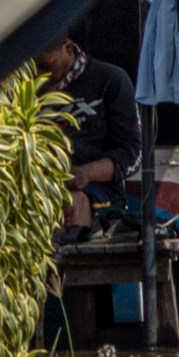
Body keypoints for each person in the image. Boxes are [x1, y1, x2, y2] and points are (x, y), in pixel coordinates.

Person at [31, 27, 145, 234]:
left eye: (46, 66)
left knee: (71, 202)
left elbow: (132, 154)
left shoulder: (110, 80)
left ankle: (73, 251)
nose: (39, 74)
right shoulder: (25, 88)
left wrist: (84, 173)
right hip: (39, 186)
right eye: (33, 67)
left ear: (68, 48)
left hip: (99, 191)